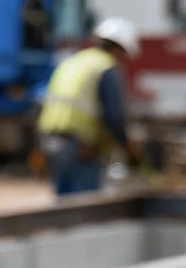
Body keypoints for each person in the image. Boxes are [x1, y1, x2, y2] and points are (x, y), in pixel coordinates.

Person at [37, 17, 140, 197]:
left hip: (51, 139)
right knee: (83, 203)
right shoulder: (105, 67)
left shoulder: (72, 61)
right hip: (80, 145)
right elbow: (114, 117)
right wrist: (127, 148)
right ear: (118, 48)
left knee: (63, 201)